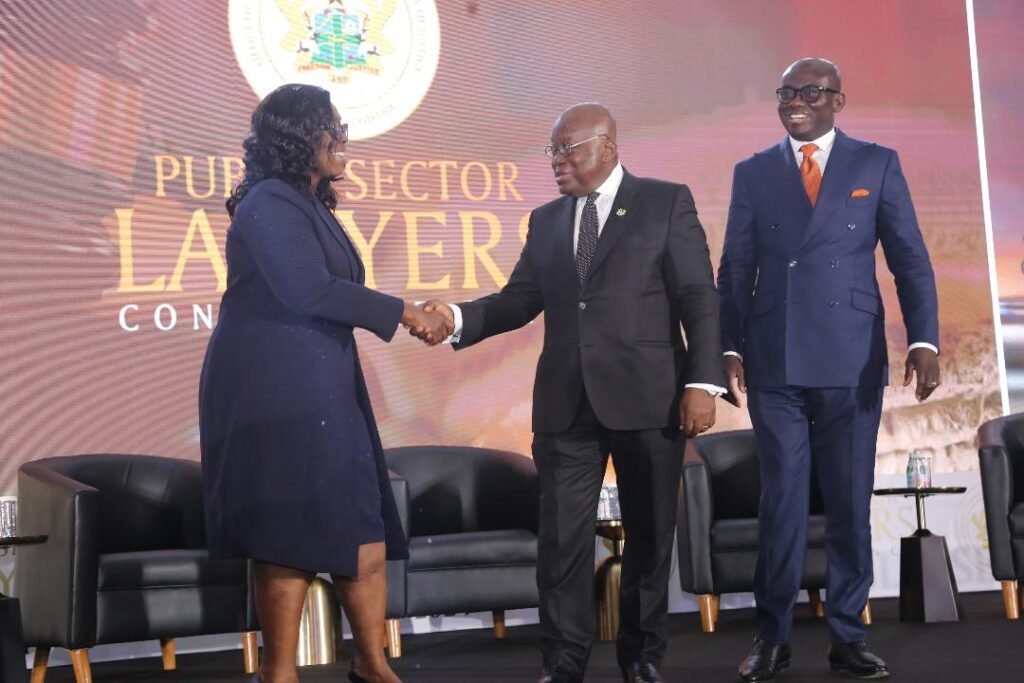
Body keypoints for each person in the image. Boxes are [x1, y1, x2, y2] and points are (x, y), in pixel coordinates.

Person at [423, 103, 727, 683]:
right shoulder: (546, 221)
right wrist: (458, 317)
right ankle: (562, 665)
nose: (556, 161)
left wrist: (701, 383)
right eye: (551, 151)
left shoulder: (666, 202)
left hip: (652, 399)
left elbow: (698, 297)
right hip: (566, 405)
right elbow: (518, 300)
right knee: (561, 544)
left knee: (649, 536)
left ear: (607, 146)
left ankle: (641, 659)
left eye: (567, 149)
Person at [199, 83, 450, 683]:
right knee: (286, 530)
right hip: (273, 388)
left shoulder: (312, 203)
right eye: (331, 128)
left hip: (324, 381)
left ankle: (371, 665)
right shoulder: (267, 202)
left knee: (362, 521)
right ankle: (279, 672)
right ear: (297, 137)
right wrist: (406, 312)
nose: (344, 139)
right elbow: (307, 288)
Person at [717, 58, 941, 682]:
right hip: (775, 359)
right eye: (786, 92)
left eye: (810, 92)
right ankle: (773, 638)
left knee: (847, 501)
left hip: (851, 356)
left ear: (838, 100)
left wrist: (924, 338)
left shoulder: (876, 161)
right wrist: (727, 346)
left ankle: (848, 635)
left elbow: (910, 260)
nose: (795, 101)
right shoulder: (754, 171)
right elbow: (734, 269)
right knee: (781, 502)